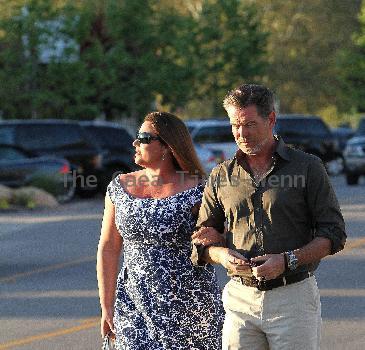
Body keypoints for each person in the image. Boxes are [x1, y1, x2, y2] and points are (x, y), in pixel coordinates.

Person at [191, 84, 346, 350]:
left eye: (249, 124)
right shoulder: (221, 175)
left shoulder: (308, 167)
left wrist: (287, 261)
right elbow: (202, 243)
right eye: (235, 125)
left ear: (271, 119)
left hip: (293, 299)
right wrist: (221, 255)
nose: (241, 133)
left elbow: (334, 235)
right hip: (240, 299)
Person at [97, 111, 224, 350]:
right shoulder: (119, 187)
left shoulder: (200, 190)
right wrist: (106, 305)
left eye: (144, 138)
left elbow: (223, 237)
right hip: (133, 305)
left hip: (190, 307)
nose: (135, 143)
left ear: (167, 146)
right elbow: (109, 248)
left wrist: (219, 237)